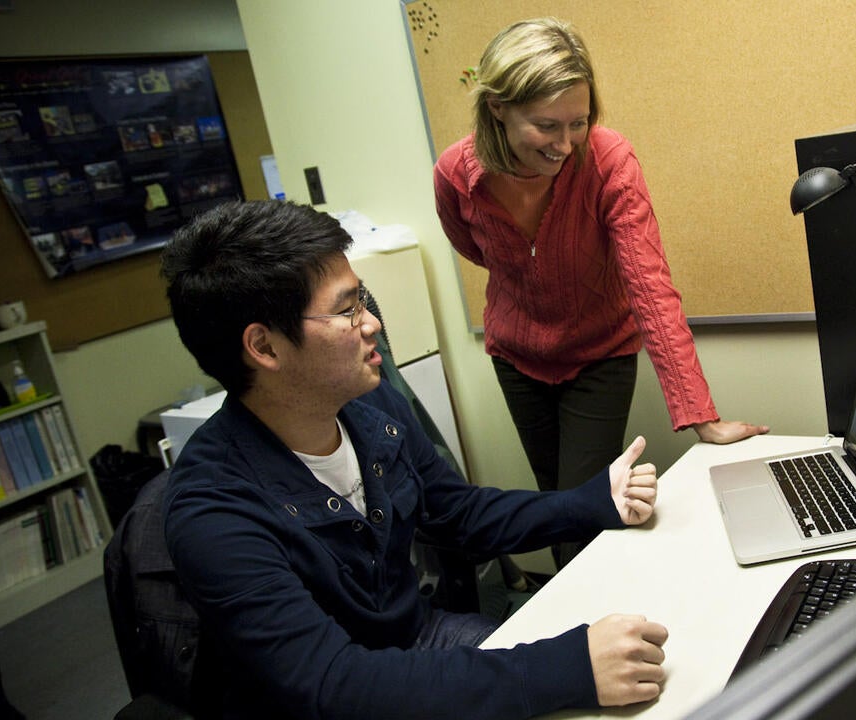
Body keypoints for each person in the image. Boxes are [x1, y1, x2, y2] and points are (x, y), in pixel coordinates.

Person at [159, 200, 667, 719]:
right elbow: (334, 686)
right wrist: (572, 669)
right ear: (264, 346)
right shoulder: (212, 511)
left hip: (417, 642)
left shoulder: (369, 404)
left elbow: (460, 516)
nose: (372, 323)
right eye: (348, 308)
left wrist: (592, 501)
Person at [434, 17, 769, 564]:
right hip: (517, 360)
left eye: (578, 123)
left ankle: (593, 640)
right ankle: (573, 637)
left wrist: (700, 414)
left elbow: (650, 287)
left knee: (583, 522)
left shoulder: (610, 160)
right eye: (546, 125)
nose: (565, 144)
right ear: (498, 107)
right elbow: (474, 250)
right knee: (552, 507)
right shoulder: (454, 173)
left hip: (599, 355)